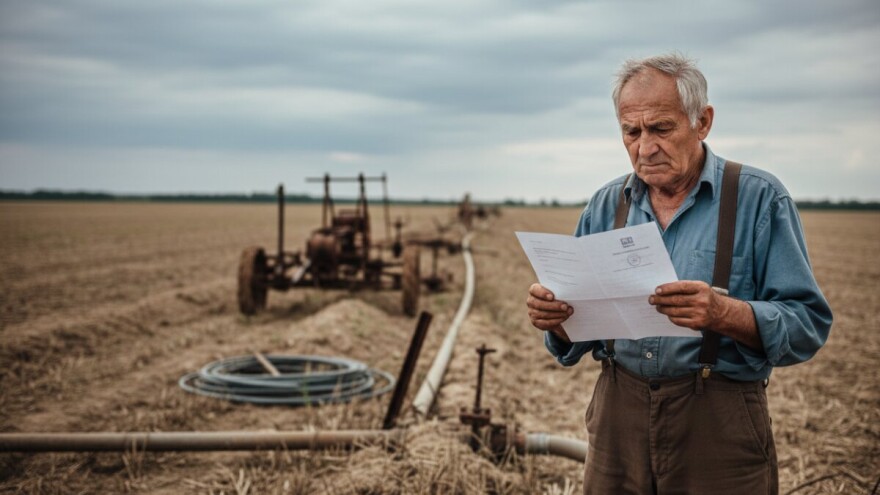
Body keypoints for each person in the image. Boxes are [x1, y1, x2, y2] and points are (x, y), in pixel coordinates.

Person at [526, 53, 832, 494]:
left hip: (718, 422)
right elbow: (578, 335)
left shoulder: (759, 199)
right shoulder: (606, 205)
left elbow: (807, 325)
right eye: (631, 132)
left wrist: (723, 313)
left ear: (702, 121)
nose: (644, 147)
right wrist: (556, 319)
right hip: (617, 416)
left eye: (661, 129)